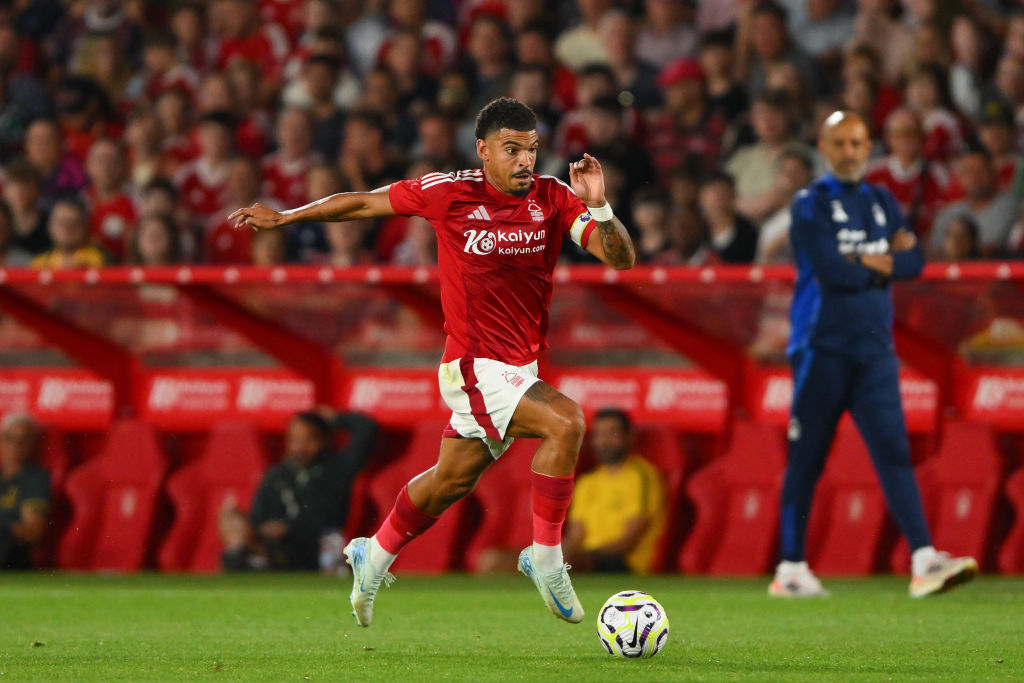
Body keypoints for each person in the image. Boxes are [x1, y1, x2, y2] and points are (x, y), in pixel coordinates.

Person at [230, 96, 635, 626]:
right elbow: (361, 203)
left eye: (532, 150)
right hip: (473, 364)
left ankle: (370, 556)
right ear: (483, 151)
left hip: (520, 368)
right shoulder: (449, 191)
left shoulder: (553, 198)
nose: (524, 162)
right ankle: (547, 558)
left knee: (451, 482)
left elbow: (620, 258)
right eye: (511, 150)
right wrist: (287, 217)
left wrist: (600, 206)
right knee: (568, 422)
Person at [772, 110, 977, 599]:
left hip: (875, 350)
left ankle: (925, 560)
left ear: (869, 148)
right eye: (840, 143)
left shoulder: (882, 200)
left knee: (894, 452)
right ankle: (792, 568)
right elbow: (830, 269)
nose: (849, 152)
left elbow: (915, 261)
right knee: (807, 459)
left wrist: (868, 261)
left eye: (858, 143)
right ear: (823, 146)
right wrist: (883, 261)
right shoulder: (808, 203)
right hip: (821, 346)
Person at [220, 409, 376, 572]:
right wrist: (267, 528)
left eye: (309, 440)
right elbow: (257, 517)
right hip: (275, 546)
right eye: (294, 440)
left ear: (324, 440)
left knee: (330, 541)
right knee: (229, 515)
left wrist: (334, 418)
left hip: (315, 547)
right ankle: (240, 557)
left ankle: (249, 562)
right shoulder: (276, 474)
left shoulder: (338, 468)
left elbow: (366, 428)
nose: (300, 448)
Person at [563, 409, 665, 574]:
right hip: (585, 560)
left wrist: (583, 557)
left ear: (629, 437)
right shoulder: (587, 481)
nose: (605, 441)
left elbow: (631, 538)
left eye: (613, 433)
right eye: (600, 434)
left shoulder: (641, 475)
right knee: (513, 558)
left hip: (623, 563)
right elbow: (575, 536)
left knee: (562, 561)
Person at [0, 412, 50, 569]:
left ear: (32, 444)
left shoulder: (35, 478)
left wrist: (5, 527)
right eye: (10, 438)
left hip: (10, 551)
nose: (15, 446)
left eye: (23, 440)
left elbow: (33, 531)